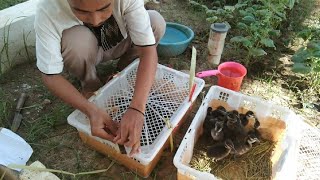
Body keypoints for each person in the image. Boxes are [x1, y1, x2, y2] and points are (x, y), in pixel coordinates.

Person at [34, 0, 166, 156]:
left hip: (120, 42)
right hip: (86, 52)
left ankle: (126, 72)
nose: (96, 20)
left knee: (155, 21)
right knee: (75, 40)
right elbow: (50, 75)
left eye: (104, 8)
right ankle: (90, 84)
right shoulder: (48, 9)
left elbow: (148, 51)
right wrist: (91, 111)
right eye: (81, 11)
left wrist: (137, 108)